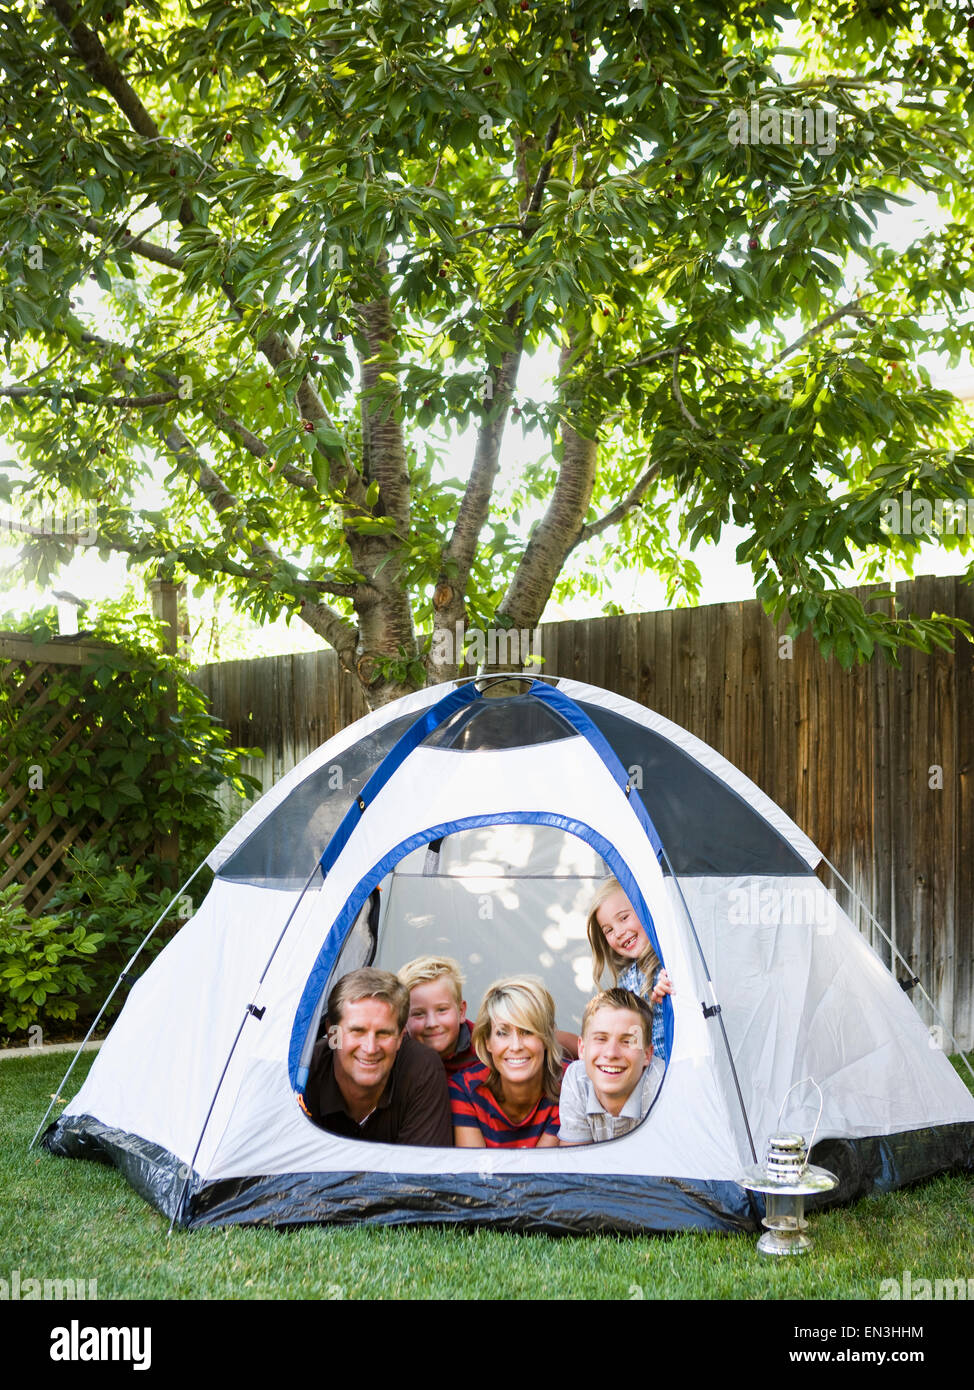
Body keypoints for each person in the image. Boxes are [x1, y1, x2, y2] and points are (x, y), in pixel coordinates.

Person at [301, 967, 452, 1146]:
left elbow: (423, 1171)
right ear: (333, 1035)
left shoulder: (422, 1069)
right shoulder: (303, 1073)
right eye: (358, 1031)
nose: (370, 1048)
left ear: (400, 1038)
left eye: (383, 1033)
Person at [449, 977, 562, 1148]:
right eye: (502, 1033)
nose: (516, 1046)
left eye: (528, 1032)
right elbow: (474, 1172)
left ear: (547, 1038)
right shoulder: (465, 1089)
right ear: (487, 1041)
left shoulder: (571, 1086)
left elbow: (541, 1171)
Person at [558, 988, 664, 1145]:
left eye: (627, 1041)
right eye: (601, 1038)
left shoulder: (662, 1087)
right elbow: (575, 1162)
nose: (611, 1053)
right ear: (582, 1048)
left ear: (647, 1055)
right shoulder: (578, 1079)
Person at [586, 876, 673, 1062]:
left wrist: (672, 992)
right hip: (645, 1075)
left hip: (678, 1070)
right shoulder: (626, 978)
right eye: (608, 930)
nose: (618, 933)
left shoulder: (671, 962)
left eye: (624, 918)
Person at [398, 954, 479, 1076]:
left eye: (442, 1010)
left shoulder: (486, 1051)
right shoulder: (395, 1055)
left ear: (461, 1011)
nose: (432, 1023)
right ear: (403, 1020)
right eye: (418, 1014)